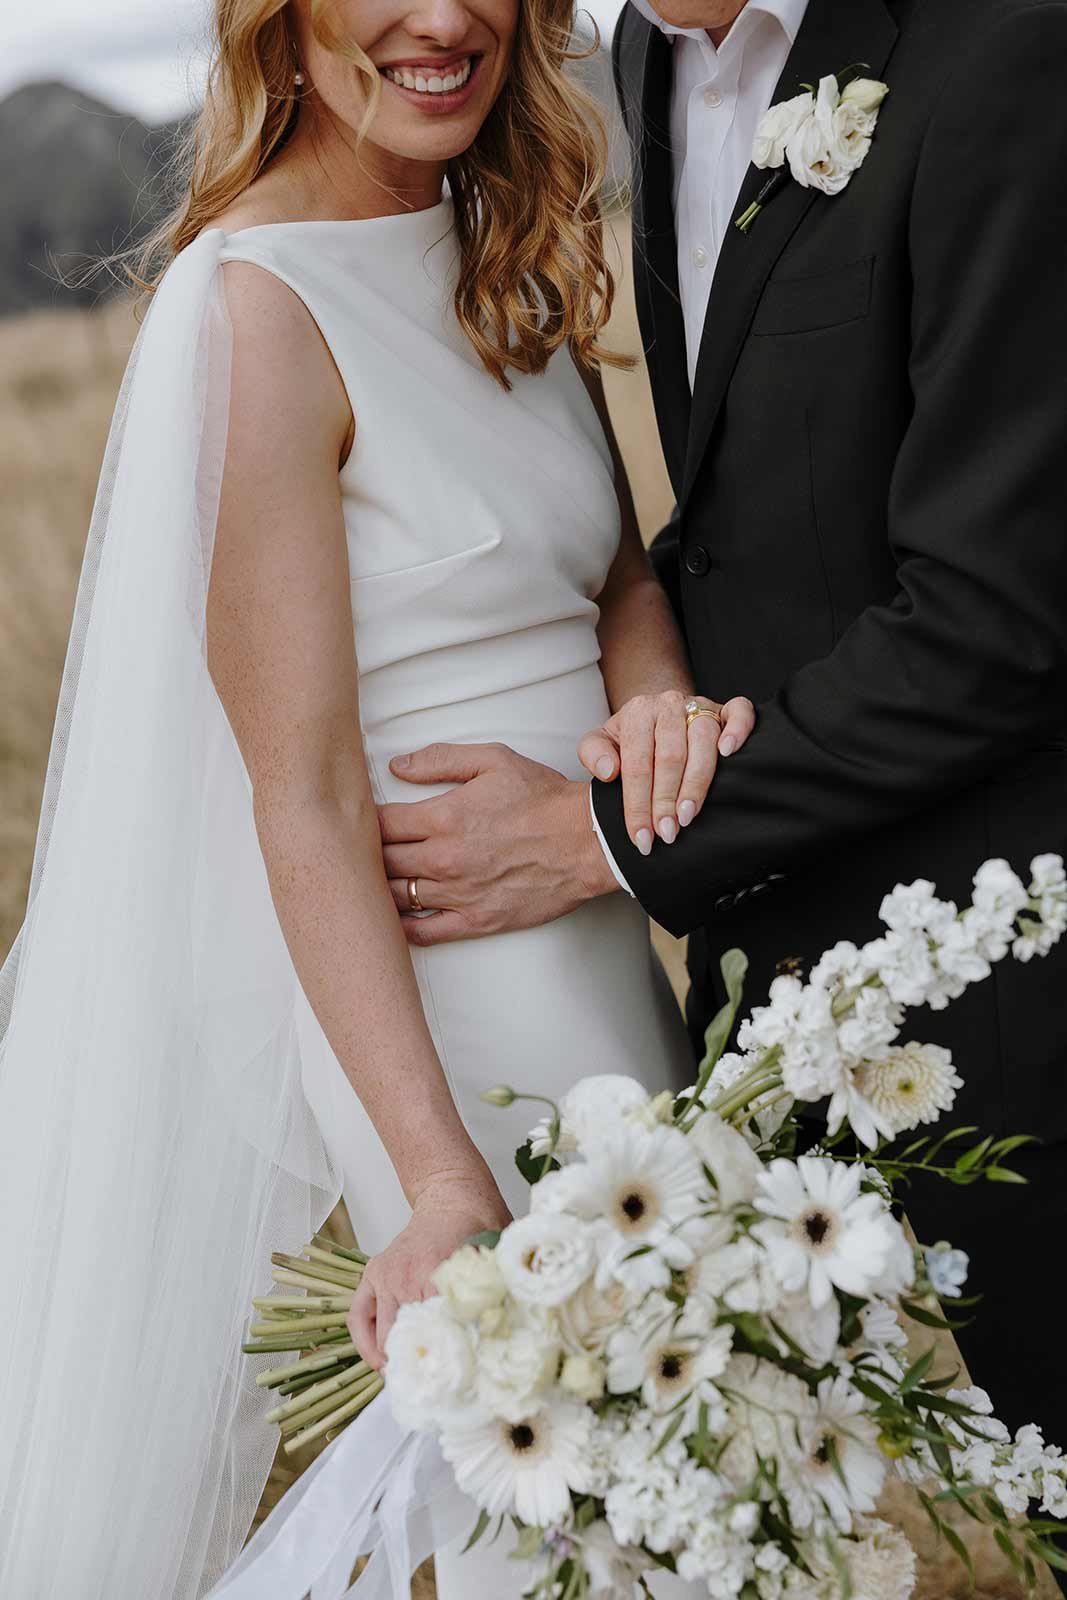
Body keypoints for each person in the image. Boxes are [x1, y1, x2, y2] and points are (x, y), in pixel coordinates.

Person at [0, 0, 753, 1595]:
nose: (446, 17)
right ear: (280, 21)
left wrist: (659, 702)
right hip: (446, 997)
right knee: (561, 1509)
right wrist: (434, 1177)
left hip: (595, 928)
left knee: (703, 1456)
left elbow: (614, 572)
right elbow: (303, 792)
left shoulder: (495, 241)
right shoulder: (256, 308)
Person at [375, 0, 1067, 1491]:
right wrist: (650, 691)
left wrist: (600, 834)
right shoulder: (644, 57)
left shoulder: (1007, 47)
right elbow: (755, 515)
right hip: (780, 1005)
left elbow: (996, 614)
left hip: (1023, 998)